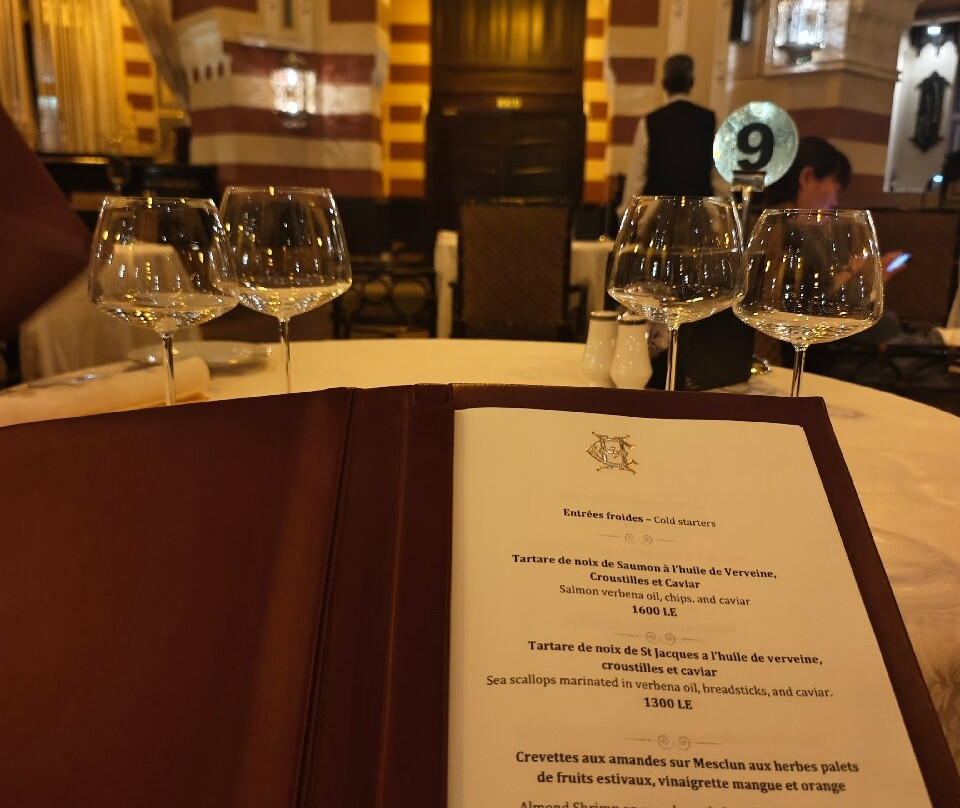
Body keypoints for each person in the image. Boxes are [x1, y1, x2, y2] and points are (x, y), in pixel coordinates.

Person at [763, 136, 959, 399]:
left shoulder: (803, 231)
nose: (835, 200)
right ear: (807, 177)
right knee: (941, 364)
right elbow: (816, 307)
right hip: (846, 358)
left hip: (858, 348)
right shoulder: (789, 232)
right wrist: (864, 275)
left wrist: (864, 275)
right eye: (836, 187)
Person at [618, 54, 717, 215]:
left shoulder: (650, 122)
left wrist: (626, 214)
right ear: (692, 82)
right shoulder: (710, 120)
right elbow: (718, 178)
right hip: (698, 217)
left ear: (663, 84)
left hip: (658, 217)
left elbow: (637, 178)